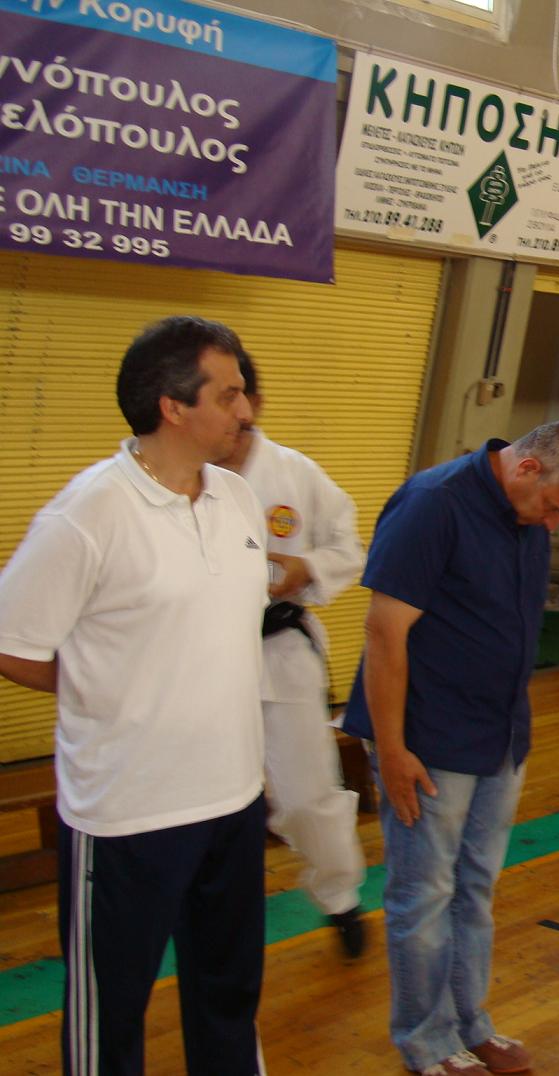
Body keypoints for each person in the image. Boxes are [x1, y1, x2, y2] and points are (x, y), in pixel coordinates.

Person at [0, 316, 269, 1075]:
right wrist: (103, 684)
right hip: (128, 813)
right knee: (111, 1009)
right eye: (229, 394)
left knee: (227, 993)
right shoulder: (87, 514)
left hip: (232, 800)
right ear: (172, 406)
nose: (247, 410)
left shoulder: (237, 499)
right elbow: (13, 643)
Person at [342, 423, 559, 1076]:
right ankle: (427, 1043)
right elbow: (384, 631)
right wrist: (393, 748)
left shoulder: (528, 515)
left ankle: (469, 1024)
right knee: (424, 894)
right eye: (553, 508)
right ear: (527, 469)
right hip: (428, 738)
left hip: (499, 736)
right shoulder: (433, 504)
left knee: (474, 889)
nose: (553, 525)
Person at [215, 350, 369, 957]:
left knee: (307, 793)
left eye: (240, 402)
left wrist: (309, 567)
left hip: (279, 648)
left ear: (255, 403)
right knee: (208, 794)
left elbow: (348, 547)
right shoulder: (176, 474)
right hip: (197, 657)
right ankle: (206, 907)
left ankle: (340, 895)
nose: (233, 418)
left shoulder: (295, 473)